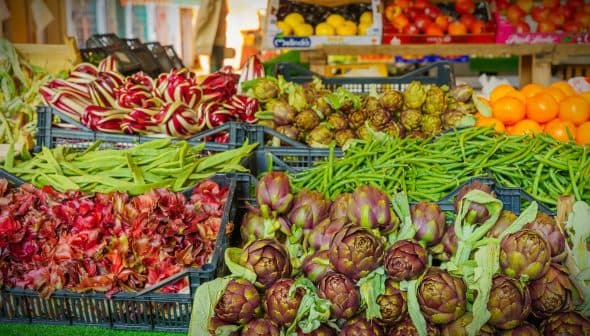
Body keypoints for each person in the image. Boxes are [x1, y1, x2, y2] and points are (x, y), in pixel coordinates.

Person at [194, 0, 228, 72]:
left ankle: (216, 78)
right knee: (217, 65)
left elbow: (204, 15)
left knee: (216, 67)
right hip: (218, 35)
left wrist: (197, 29)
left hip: (214, 35)